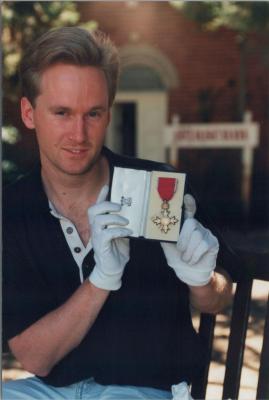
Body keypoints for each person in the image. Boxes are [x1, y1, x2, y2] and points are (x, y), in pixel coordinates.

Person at [3, 26, 236, 400]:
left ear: (109, 113)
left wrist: (202, 278)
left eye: (92, 113)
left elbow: (220, 297)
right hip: (47, 391)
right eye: (62, 112)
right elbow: (36, 357)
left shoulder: (161, 186)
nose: (79, 134)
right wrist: (102, 280)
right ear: (29, 114)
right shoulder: (11, 210)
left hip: (145, 390)